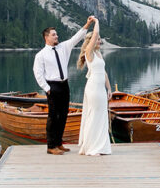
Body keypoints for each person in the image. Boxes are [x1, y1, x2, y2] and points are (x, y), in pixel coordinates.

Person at [33, 17, 95, 155]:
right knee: (53, 116)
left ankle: (59, 143)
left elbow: (77, 37)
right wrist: (47, 89)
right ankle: (51, 146)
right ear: (46, 37)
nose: (57, 36)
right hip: (52, 86)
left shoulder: (63, 47)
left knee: (64, 115)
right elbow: (38, 74)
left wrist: (88, 24)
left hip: (64, 85)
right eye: (54, 34)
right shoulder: (41, 55)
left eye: (56, 34)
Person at [77, 16, 112, 156]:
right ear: (91, 41)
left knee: (101, 115)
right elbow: (95, 33)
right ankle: (91, 147)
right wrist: (96, 22)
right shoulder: (89, 52)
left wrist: (109, 89)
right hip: (93, 88)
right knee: (93, 115)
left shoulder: (98, 54)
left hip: (101, 88)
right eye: (97, 39)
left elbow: (104, 73)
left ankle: (101, 146)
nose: (100, 41)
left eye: (99, 39)